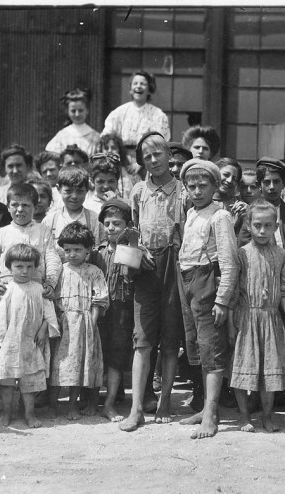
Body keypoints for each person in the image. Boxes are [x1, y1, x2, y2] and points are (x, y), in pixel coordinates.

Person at [119, 132, 186, 432]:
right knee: (143, 340)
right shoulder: (137, 192)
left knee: (170, 341)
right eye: (147, 155)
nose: (153, 159)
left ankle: (165, 400)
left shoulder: (184, 190)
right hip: (145, 268)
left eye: (158, 152)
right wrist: (138, 251)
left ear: (169, 155)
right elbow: (132, 231)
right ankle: (135, 409)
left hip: (176, 265)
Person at [0, 182, 62, 419]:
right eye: (15, 205)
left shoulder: (43, 230)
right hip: (7, 296)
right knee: (4, 352)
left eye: (26, 205)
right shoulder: (0, 234)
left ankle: (29, 409)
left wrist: (49, 282)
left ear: (35, 206)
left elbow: (53, 258)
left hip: (34, 296)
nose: (20, 210)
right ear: (8, 206)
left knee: (31, 354)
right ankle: (3, 408)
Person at [172, 159, 238, 439]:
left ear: (215, 186)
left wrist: (222, 300)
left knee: (212, 349)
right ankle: (205, 409)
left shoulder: (220, 215)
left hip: (207, 280)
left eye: (203, 185)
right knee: (199, 347)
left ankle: (211, 413)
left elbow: (230, 261)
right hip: (187, 281)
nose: (197, 191)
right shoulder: (190, 213)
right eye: (192, 186)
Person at [229, 199, 285, 433]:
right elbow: (234, 289)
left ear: (276, 227)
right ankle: (245, 416)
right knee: (243, 366)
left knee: (269, 371)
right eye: (257, 225)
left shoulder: (282, 255)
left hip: (271, 319)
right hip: (246, 317)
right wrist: (231, 322)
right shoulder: (242, 254)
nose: (262, 230)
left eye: (268, 225)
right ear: (248, 225)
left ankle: (267, 416)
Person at [0, 244, 60, 428]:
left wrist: (43, 329)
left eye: (29, 267)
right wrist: (0, 341)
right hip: (9, 342)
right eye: (19, 266)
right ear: (9, 267)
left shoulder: (39, 289)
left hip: (31, 342)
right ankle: (7, 413)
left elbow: (48, 314)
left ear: (35, 267)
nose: (25, 271)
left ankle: (29, 414)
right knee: (7, 381)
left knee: (30, 381)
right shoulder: (6, 289)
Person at [48, 222, 108, 420]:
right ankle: (53, 405)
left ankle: (72, 405)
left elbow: (99, 298)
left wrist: (91, 321)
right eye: (67, 250)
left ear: (88, 249)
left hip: (84, 324)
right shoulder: (59, 270)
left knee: (78, 366)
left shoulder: (94, 271)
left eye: (77, 250)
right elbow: (51, 296)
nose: (72, 254)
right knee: (57, 365)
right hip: (61, 323)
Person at [94, 199, 136, 422]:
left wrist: (129, 245)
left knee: (116, 356)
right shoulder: (97, 252)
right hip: (99, 310)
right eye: (107, 223)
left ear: (127, 225)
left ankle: (109, 403)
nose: (111, 227)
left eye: (117, 223)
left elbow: (130, 277)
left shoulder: (130, 250)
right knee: (97, 352)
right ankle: (93, 399)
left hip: (121, 309)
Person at [102, 71, 171, 173]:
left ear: (149, 90)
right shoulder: (119, 112)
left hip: (147, 162)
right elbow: (106, 137)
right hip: (119, 162)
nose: (138, 86)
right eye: (135, 83)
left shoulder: (158, 115)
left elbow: (160, 144)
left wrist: (140, 163)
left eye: (143, 84)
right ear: (130, 90)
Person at [42, 164, 105, 260]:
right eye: (68, 191)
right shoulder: (50, 220)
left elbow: (98, 251)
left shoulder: (94, 219)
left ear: (87, 190)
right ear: (58, 189)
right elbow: (44, 252)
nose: (74, 196)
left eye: (79, 191)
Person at [238, 158, 285, 248]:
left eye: (276, 182)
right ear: (259, 185)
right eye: (267, 182)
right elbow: (243, 248)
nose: (272, 187)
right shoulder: (250, 213)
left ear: (284, 183)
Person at [46, 88, 101, 156]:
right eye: (73, 111)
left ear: (87, 110)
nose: (77, 114)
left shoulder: (95, 137)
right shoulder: (61, 136)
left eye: (80, 110)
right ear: (67, 111)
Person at [98, 132, 141, 198]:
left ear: (119, 150)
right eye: (106, 148)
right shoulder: (97, 174)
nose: (110, 151)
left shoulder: (129, 173)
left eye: (113, 148)